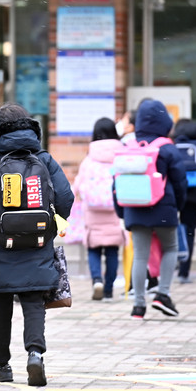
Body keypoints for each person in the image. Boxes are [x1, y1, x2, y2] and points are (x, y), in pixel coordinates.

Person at [0, 103, 73, 387]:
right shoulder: (44, 158)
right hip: (37, 240)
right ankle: (35, 354)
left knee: (0, 306)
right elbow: (65, 197)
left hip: (0, 241)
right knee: (34, 302)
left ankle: (1, 364)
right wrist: (47, 229)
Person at [115, 99, 187, 319]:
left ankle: (138, 305)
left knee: (140, 256)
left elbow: (115, 183)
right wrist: (178, 207)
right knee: (171, 248)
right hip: (164, 208)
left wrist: (122, 212)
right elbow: (180, 181)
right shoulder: (167, 148)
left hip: (135, 209)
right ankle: (162, 295)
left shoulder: (128, 147)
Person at [72, 118, 126, 301]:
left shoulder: (89, 158)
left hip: (93, 210)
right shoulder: (121, 156)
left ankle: (97, 280)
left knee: (93, 248)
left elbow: (78, 184)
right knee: (111, 250)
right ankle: (109, 290)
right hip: (115, 210)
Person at [171, 119, 196, 284]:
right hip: (194, 195)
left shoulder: (172, 146)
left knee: (169, 229)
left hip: (173, 192)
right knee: (189, 230)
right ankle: (184, 272)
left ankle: (169, 265)